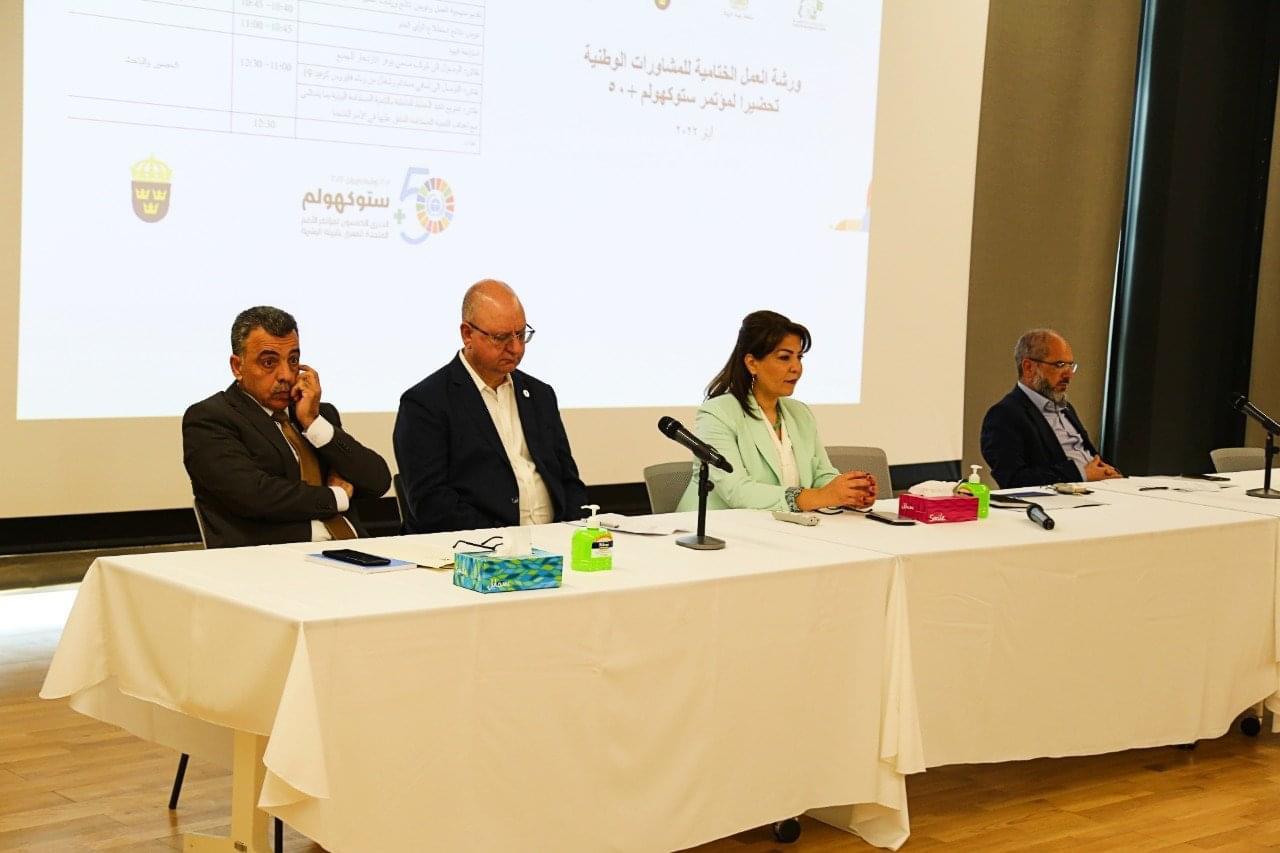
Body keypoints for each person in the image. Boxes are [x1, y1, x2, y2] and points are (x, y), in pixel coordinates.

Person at [183, 306, 391, 548]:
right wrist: (338, 496)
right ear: (237, 367)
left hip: (355, 550)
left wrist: (313, 423)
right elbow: (255, 496)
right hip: (271, 558)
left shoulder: (318, 414)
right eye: (269, 362)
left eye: (293, 360)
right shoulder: (210, 418)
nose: (286, 375)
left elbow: (377, 481)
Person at [394, 279, 588, 533]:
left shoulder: (540, 395)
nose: (515, 348)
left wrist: (571, 531)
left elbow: (569, 481)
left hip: (556, 540)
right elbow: (432, 504)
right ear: (467, 334)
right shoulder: (425, 403)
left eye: (521, 334)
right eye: (501, 338)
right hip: (478, 546)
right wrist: (505, 540)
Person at [675, 310, 876, 512]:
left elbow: (821, 475)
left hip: (777, 525)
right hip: (715, 526)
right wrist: (821, 496)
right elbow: (737, 491)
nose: (796, 367)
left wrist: (848, 492)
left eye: (799, 357)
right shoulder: (717, 413)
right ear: (752, 363)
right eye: (784, 357)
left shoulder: (800, 413)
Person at [980, 328, 1122, 488]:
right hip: (1064, 498)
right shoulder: (1004, 415)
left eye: (1070, 366)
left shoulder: (1066, 408)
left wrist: (1107, 472)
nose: (1068, 375)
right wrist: (1081, 474)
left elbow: (1088, 455)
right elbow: (1014, 479)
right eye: (1059, 365)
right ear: (1028, 367)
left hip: (1103, 489)